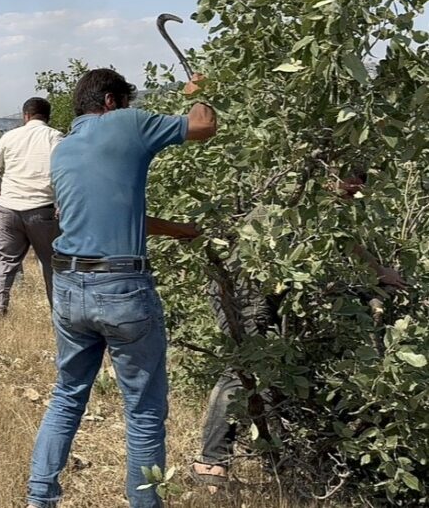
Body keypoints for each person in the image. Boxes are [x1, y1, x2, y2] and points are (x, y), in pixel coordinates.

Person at [25, 68, 218, 508]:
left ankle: (39, 498)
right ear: (112, 101)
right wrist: (201, 90)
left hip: (70, 286)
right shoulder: (126, 124)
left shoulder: (64, 148)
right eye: (127, 102)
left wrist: (180, 230)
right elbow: (204, 126)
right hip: (122, 289)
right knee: (145, 410)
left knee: (67, 395)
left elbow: (115, 213)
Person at [189, 168, 407, 490]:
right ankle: (211, 461)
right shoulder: (303, 194)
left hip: (264, 292)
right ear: (331, 173)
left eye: (362, 183)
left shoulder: (323, 204)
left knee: (264, 373)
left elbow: (339, 245)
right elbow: (343, 243)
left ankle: (269, 457)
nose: (356, 189)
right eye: (352, 179)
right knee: (242, 370)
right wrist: (377, 273)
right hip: (244, 290)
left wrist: (373, 278)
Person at [0, 97, 63, 317]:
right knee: (51, 263)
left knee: (3, 262)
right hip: (42, 209)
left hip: (8, 208)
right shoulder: (55, 137)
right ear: (48, 116)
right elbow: (63, 173)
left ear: (25, 115)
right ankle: (59, 316)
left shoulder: (10, 136)